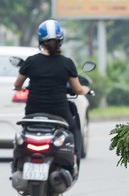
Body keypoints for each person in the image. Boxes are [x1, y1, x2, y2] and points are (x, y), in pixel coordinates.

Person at [13, 19, 90, 160]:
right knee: (73, 128)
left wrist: (24, 88)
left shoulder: (31, 61)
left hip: (33, 110)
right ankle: (74, 157)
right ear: (61, 40)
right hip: (59, 111)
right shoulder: (67, 63)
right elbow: (78, 89)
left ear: (40, 40)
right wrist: (85, 89)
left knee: (25, 131)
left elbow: (17, 85)